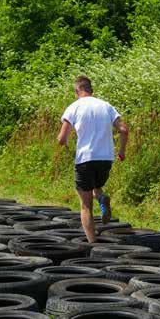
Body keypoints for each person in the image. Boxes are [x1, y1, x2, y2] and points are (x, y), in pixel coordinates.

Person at [58, 75, 129, 243]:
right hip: (106, 159)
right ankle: (102, 198)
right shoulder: (106, 106)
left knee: (85, 205)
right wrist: (122, 152)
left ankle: (92, 244)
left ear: (77, 91)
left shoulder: (73, 107)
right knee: (96, 185)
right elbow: (124, 129)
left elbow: (61, 139)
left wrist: (65, 142)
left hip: (85, 159)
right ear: (92, 90)